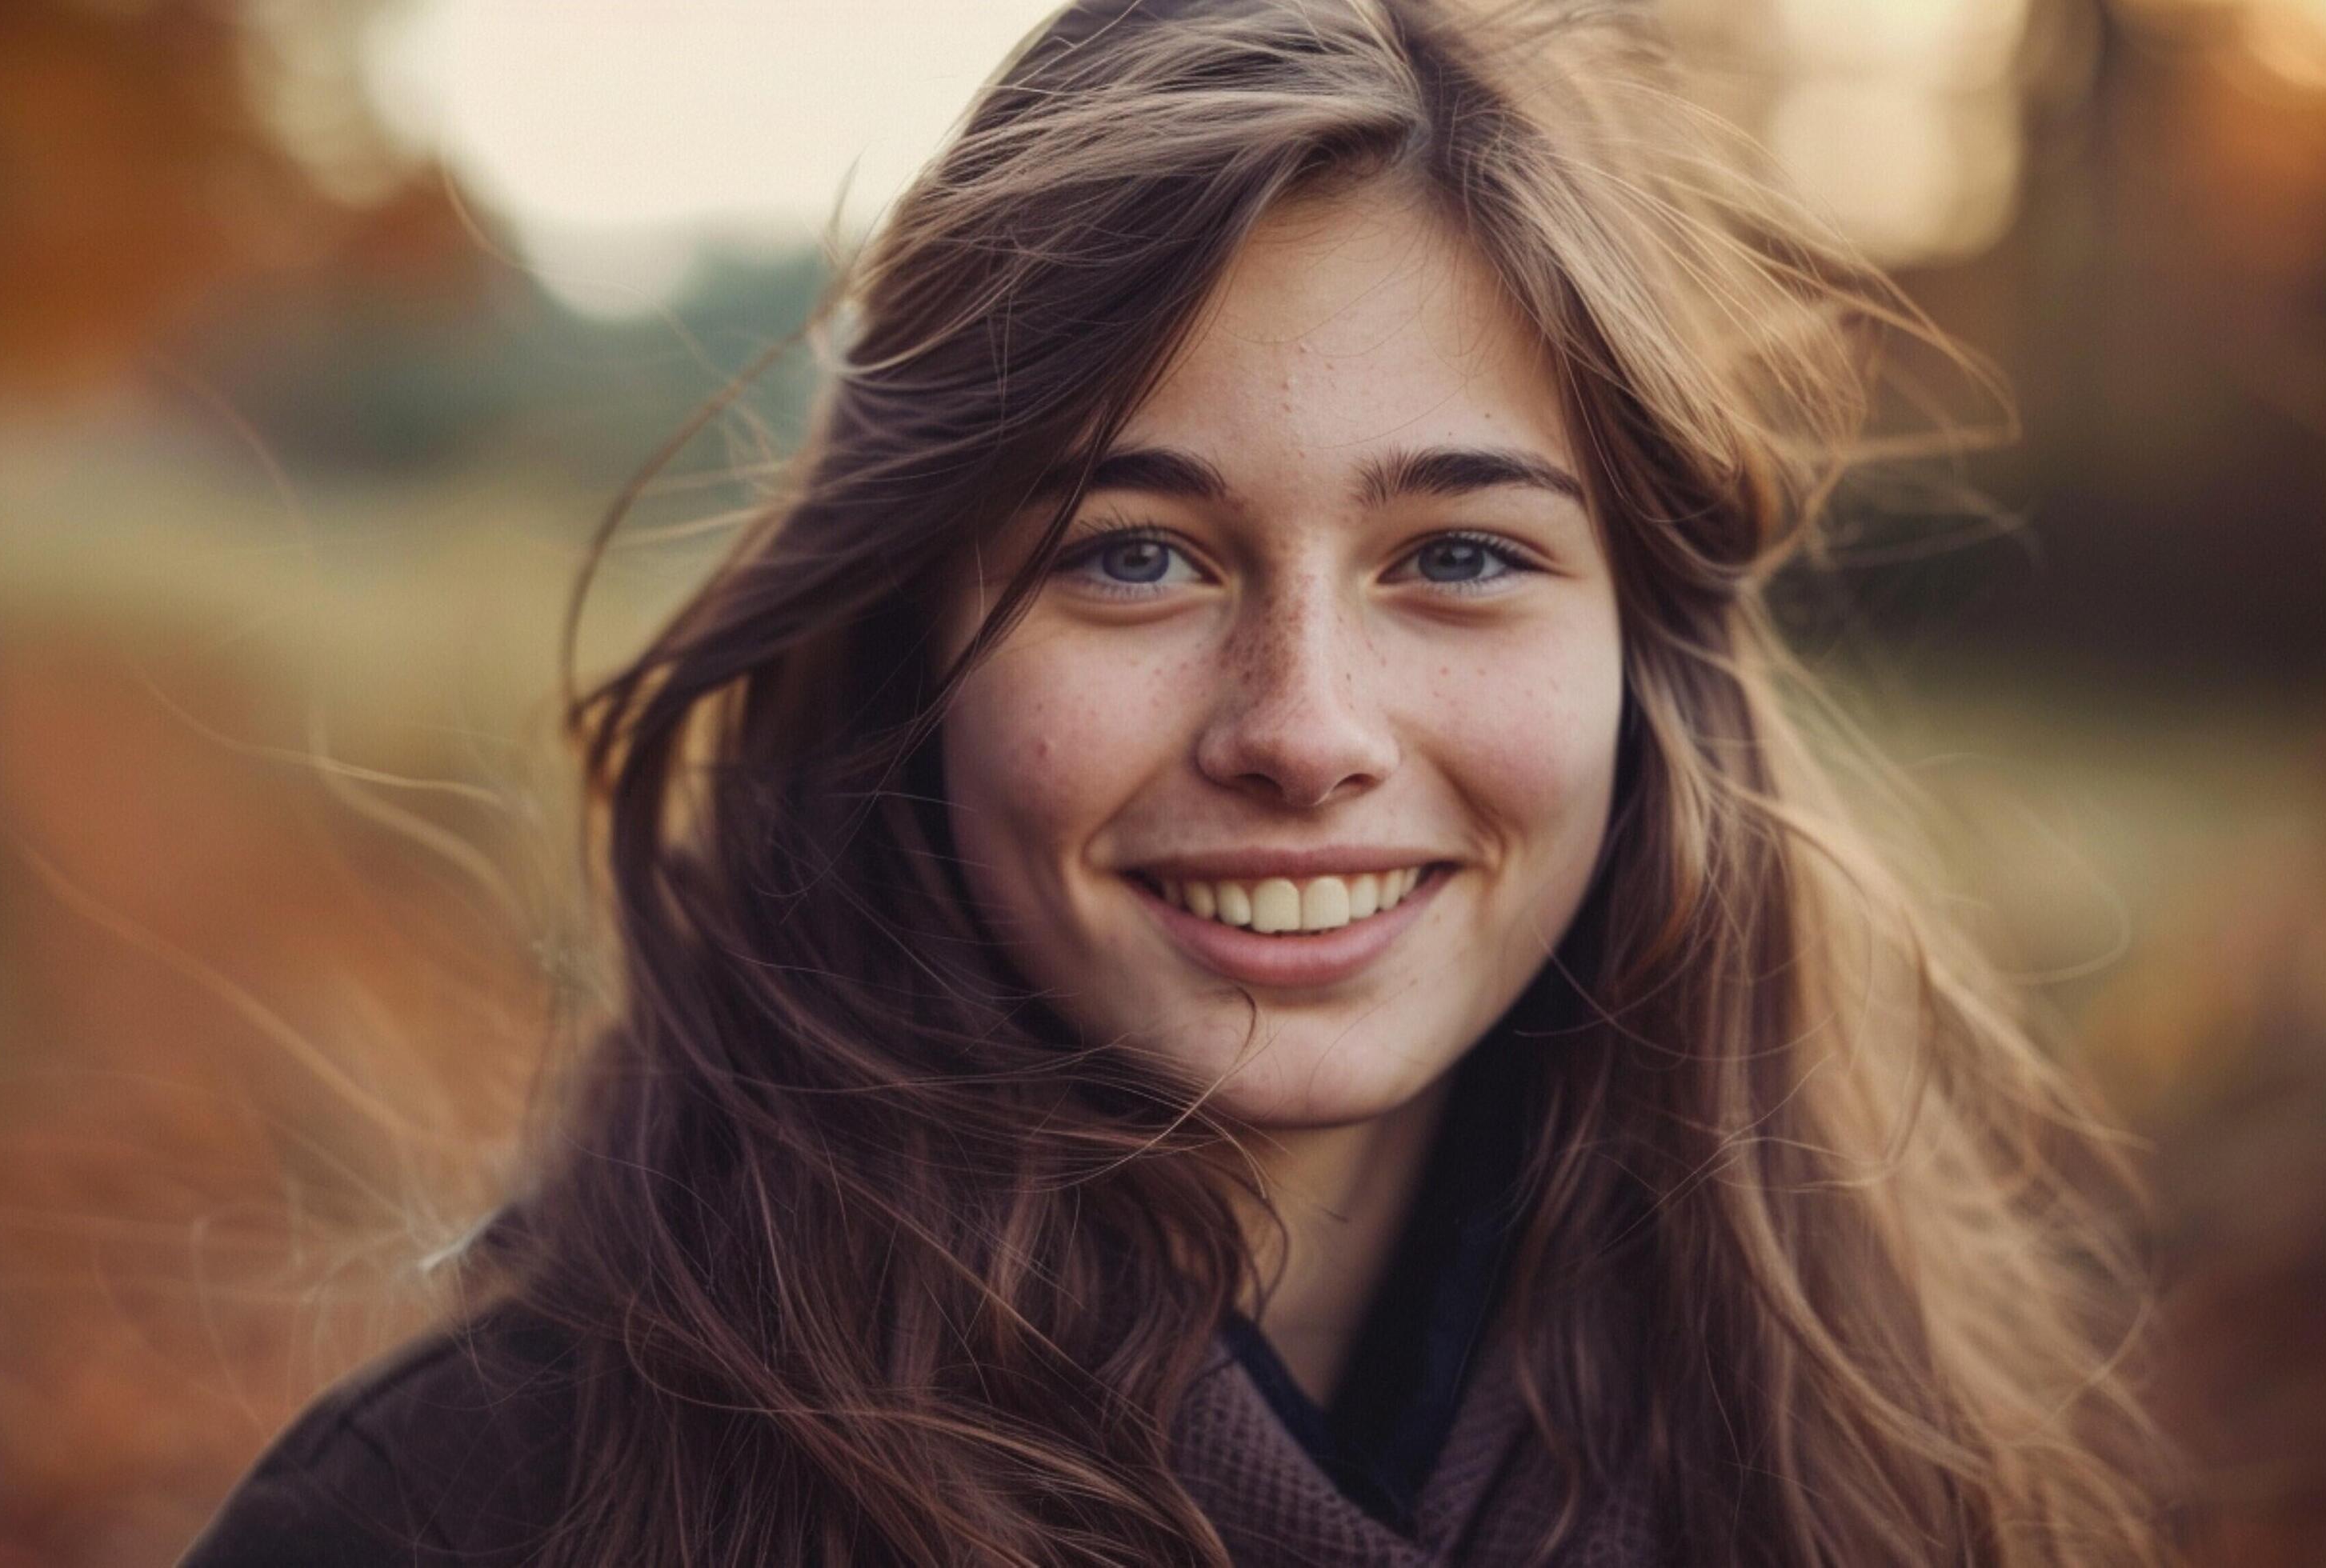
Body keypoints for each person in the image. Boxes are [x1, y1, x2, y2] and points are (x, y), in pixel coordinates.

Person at [181, 0, 2173, 1562]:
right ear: (909, 649)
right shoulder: (466, 1517)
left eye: (1459, 556)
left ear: (1647, 666)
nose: (1303, 728)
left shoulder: (1891, 1467)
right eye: (1134, 552)